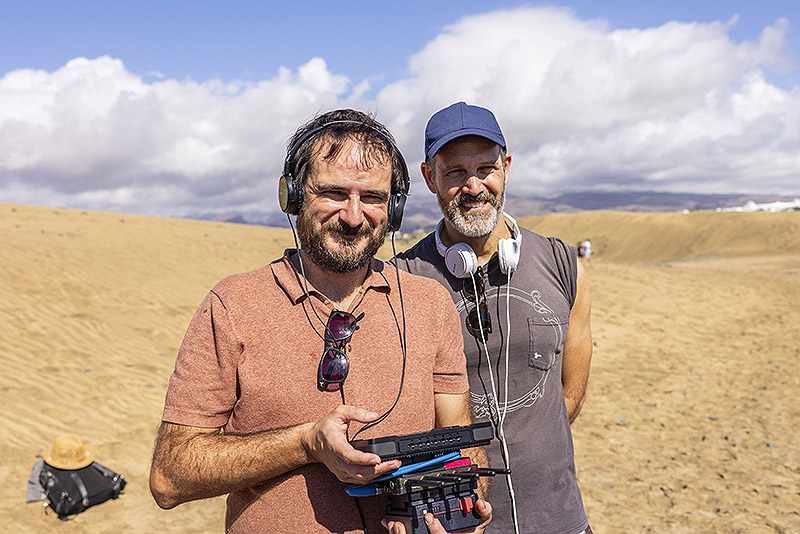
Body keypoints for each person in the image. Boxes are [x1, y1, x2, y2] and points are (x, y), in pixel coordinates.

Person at [149, 109, 492, 534]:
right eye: (332, 193)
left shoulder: (430, 305)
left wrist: (465, 504)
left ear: (395, 210)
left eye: (372, 198)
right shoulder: (231, 305)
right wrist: (305, 443)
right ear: (292, 197)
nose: (352, 216)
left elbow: (458, 438)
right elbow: (170, 476)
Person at [395, 102, 593, 534]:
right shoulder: (401, 280)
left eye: (486, 168)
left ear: (506, 167)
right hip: (460, 526)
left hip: (561, 520)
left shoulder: (564, 264)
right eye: (454, 172)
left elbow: (570, 398)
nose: (473, 186)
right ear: (429, 177)